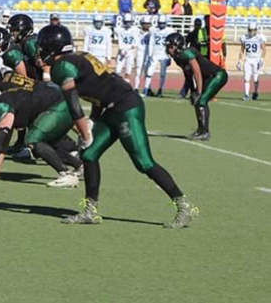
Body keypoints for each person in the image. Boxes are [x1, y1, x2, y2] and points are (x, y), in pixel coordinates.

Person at [37, 24, 198, 229]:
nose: (40, 52)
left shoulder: (62, 67)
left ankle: (184, 206)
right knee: (89, 155)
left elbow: (74, 106)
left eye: (43, 47)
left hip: (125, 106)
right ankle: (89, 210)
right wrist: (94, 120)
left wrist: (85, 133)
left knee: (144, 163)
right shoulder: (79, 57)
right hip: (110, 107)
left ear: (53, 47)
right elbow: (98, 87)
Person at [0, 81, 81, 188]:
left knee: (33, 140)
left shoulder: (1, 106)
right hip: (62, 101)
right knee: (47, 144)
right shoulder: (6, 101)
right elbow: (4, 142)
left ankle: (66, 174)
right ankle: (79, 166)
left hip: (59, 105)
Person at [165, 33, 228, 141]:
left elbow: (197, 72)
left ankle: (205, 131)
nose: (169, 49)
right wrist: (192, 91)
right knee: (197, 102)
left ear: (178, 45)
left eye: (170, 46)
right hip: (208, 78)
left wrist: (198, 91)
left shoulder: (187, 53)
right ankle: (200, 130)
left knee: (201, 100)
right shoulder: (178, 57)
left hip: (217, 75)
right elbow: (188, 74)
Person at [143, 15, 174, 97]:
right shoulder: (153, 30)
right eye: (160, 23)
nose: (161, 25)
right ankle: (146, 89)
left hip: (165, 53)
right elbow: (151, 42)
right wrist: (150, 54)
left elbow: (172, 43)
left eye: (163, 23)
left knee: (162, 73)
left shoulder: (170, 31)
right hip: (155, 53)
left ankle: (160, 90)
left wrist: (170, 56)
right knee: (149, 71)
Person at [238, 23, 266, 101]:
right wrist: (239, 60)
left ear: (256, 30)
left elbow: (264, 49)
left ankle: (255, 92)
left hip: (256, 59)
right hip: (248, 59)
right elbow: (242, 50)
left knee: (255, 78)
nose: (252, 32)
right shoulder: (245, 37)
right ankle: (246, 94)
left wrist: (262, 59)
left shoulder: (259, 38)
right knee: (246, 77)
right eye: (250, 30)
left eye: (253, 30)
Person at [114, 13, 140, 83]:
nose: (128, 24)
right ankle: (116, 84)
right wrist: (122, 49)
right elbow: (119, 40)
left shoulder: (135, 30)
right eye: (126, 22)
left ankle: (126, 84)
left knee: (128, 70)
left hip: (130, 51)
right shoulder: (119, 30)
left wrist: (129, 48)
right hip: (121, 51)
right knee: (117, 70)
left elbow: (136, 43)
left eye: (129, 22)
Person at [134, 15, 153, 92]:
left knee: (147, 72)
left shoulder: (152, 32)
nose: (146, 25)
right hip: (140, 52)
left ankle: (147, 88)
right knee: (138, 71)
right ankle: (136, 87)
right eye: (145, 23)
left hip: (148, 53)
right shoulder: (137, 31)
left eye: (148, 23)